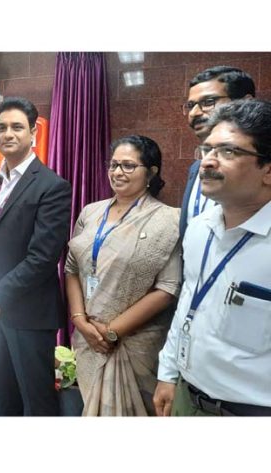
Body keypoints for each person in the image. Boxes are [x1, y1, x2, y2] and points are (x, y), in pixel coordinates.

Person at [154, 99, 271, 416]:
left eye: (229, 152)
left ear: (268, 170)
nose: (207, 162)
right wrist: (167, 372)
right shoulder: (199, 228)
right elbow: (188, 304)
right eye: (207, 150)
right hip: (186, 395)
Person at [0, 97, 72, 416]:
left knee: (37, 403)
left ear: (33, 132)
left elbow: (43, 257)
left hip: (28, 314)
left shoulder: (52, 186)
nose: (8, 134)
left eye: (17, 127)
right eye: (2, 127)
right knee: (4, 399)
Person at [65, 135, 181, 416]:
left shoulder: (169, 219)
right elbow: (72, 268)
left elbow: (167, 288)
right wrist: (80, 321)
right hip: (89, 338)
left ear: (151, 172)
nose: (117, 172)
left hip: (135, 345)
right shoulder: (91, 213)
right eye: (114, 164)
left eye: (129, 166)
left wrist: (113, 330)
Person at [180, 66, 255, 237]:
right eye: (190, 105)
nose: (194, 113)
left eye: (208, 102)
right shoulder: (196, 168)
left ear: (245, 103)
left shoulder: (261, 165)